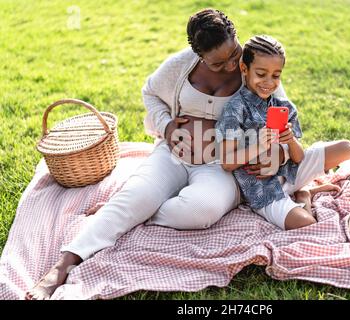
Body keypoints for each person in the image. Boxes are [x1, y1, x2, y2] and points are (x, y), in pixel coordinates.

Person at [25, 8, 289, 300]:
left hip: (221, 166)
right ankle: (62, 267)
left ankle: (133, 213)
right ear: (200, 56)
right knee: (135, 196)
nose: (230, 66)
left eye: (233, 54)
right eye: (218, 63)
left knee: (200, 211)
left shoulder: (254, 65)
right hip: (174, 154)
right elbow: (149, 92)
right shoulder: (179, 66)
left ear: (236, 38)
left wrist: (273, 156)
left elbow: (281, 113)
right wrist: (166, 126)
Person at [216, 35, 350, 230]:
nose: (269, 82)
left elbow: (298, 158)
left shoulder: (284, 106)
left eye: (276, 75)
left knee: (347, 149)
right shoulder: (235, 109)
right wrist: (260, 146)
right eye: (261, 74)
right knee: (307, 224)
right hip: (263, 188)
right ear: (244, 69)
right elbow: (227, 163)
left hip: (290, 172)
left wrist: (290, 141)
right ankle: (305, 194)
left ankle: (301, 189)